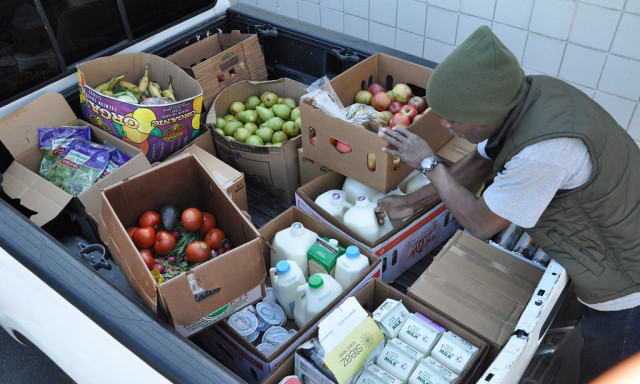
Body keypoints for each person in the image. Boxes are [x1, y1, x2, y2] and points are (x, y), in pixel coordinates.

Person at [375, 25, 640, 383]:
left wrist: (428, 163)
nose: (444, 123)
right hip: (611, 233)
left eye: (454, 118)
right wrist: (409, 202)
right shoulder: (529, 97)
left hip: (624, 282)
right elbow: (482, 161)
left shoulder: (546, 150)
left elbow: (481, 224)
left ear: (488, 113)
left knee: (607, 368)